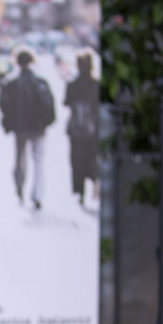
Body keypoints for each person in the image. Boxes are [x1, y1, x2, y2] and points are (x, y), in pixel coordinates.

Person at [0, 47, 55, 210]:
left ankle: (20, 189)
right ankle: (37, 195)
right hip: (38, 128)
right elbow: (49, 105)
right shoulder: (39, 81)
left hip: (20, 127)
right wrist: (45, 122)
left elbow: (4, 105)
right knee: (38, 161)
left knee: (20, 159)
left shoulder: (12, 83)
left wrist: (9, 124)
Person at [64, 51, 100, 207]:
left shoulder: (73, 84)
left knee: (77, 160)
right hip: (93, 127)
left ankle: (80, 191)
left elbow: (66, 102)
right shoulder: (96, 84)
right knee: (91, 157)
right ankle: (94, 183)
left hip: (76, 128)